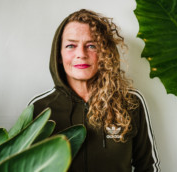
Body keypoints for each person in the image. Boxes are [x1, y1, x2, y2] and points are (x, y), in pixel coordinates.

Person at [29, 9, 160, 172]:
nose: (81, 54)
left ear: (105, 53)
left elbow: (147, 166)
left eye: (91, 45)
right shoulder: (40, 108)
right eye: (71, 45)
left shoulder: (131, 102)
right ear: (59, 55)